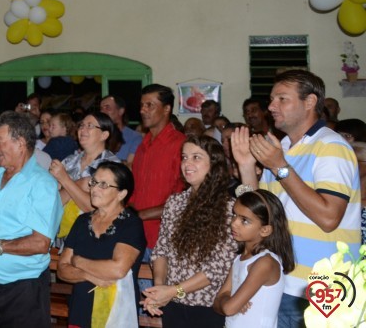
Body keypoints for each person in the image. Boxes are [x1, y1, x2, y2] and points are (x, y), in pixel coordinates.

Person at [230, 69, 361, 327]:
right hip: (284, 281)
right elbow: (261, 210)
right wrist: (246, 166)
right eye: (271, 99)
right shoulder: (283, 149)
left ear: (310, 102)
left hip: (323, 288)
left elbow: (328, 218)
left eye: (282, 99)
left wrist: (280, 168)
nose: (271, 106)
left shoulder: (331, 146)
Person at [0, 111, 63, 326]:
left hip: (24, 289)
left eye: (0, 142)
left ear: (20, 143)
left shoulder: (42, 184)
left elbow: (40, 243)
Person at [142, 135, 238, 326]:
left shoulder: (230, 207)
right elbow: (161, 251)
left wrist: (171, 291)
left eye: (196, 157)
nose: (187, 163)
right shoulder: (175, 203)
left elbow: (218, 268)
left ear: (214, 164)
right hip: (173, 303)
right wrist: (159, 290)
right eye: (184, 157)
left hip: (207, 306)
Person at [58, 162, 146, 328]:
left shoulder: (131, 224)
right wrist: (89, 276)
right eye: (94, 182)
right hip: (80, 310)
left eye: (104, 185)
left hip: (116, 314)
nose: (94, 189)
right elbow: (62, 270)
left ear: (121, 194)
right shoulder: (82, 221)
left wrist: (78, 262)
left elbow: (117, 269)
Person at [214, 189, 294, 328]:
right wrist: (228, 299)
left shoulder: (265, 263)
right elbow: (217, 303)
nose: (234, 223)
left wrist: (228, 300)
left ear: (265, 230)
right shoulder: (240, 258)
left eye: (244, 220)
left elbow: (228, 309)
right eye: (234, 215)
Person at [131, 84, 186, 251]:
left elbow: (186, 199)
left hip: (164, 239)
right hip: (136, 236)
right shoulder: (142, 146)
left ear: (166, 109)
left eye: (150, 105)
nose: (142, 110)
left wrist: (141, 215)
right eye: (142, 105)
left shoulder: (181, 144)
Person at [100, 95, 142, 164]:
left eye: (107, 108)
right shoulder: (97, 135)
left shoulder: (135, 138)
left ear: (120, 111)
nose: (102, 112)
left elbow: (130, 166)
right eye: (101, 108)